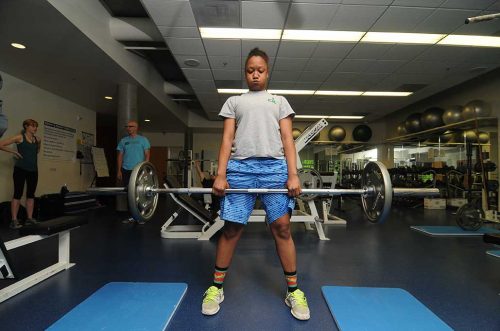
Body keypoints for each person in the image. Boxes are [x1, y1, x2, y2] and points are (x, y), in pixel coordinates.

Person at [201, 48, 310, 320]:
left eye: (260, 70)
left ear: (268, 71)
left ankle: (293, 291)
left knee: (282, 227)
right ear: (245, 72)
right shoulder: (234, 102)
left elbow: (287, 139)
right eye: (250, 70)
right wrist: (221, 173)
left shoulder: (279, 101)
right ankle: (216, 287)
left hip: (274, 168)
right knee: (232, 228)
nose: (255, 74)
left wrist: (293, 173)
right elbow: (227, 140)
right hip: (241, 169)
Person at [0, 119, 41, 229]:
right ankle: (14, 220)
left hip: (33, 170)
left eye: (36, 126)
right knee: (18, 194)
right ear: (26, 127)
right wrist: (14, 152)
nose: (35, 128)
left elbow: (37, 151)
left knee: (31, 195)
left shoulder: (37, 139)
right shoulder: (19, 137)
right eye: (33, 126)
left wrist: (37, 145)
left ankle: (29, 218)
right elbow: (1, 144)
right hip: (20, 169)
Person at [116, 120, 150, 224]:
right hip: (126, 169)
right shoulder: (123, 141)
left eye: (131, 126)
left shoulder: (143, 140)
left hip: (138, 170)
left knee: (139, 193)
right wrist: (119, 170)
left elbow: (147, 155)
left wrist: (145, 169)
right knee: (129, 194)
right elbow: (120, 156)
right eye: (127, 126)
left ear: (136, 128)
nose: (128, 128)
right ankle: (132, 216)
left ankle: (140, 216)